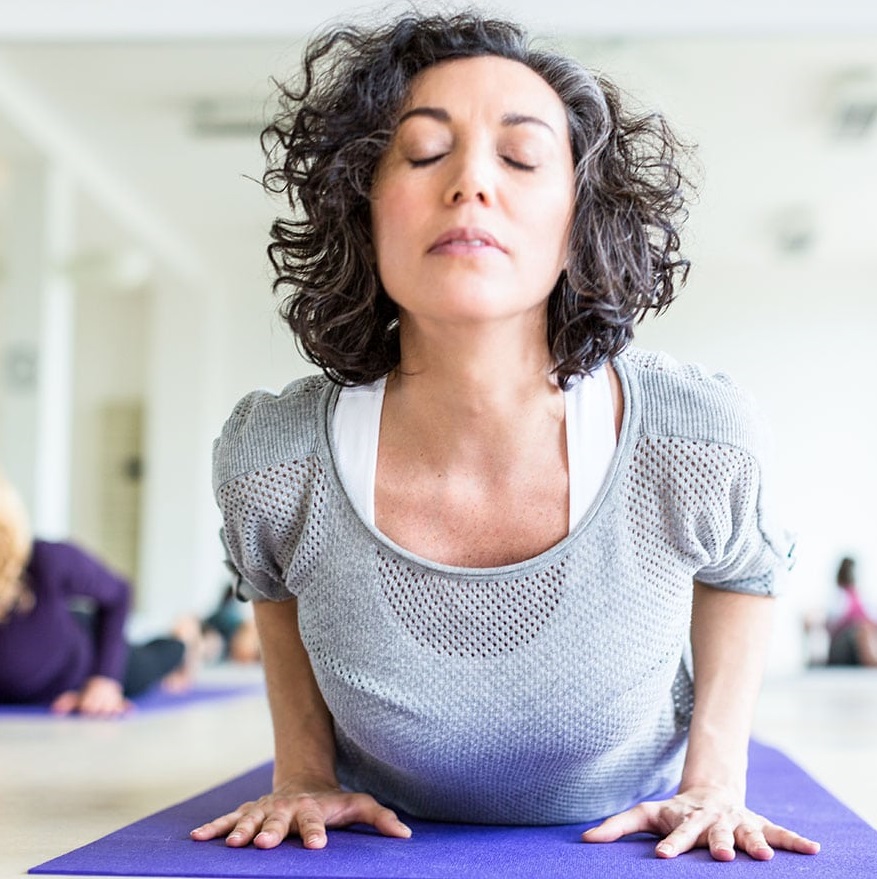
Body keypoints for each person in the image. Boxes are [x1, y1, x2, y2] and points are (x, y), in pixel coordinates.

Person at [191, 12, 820, 862]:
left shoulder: (694, 434)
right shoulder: (275, 457)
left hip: (621, 808)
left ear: (576, 222)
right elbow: (272, 587)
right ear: (363, 210)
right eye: (420, 153)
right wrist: (301, 773)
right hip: (387, 818)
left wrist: (713, 780)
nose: (470, 183)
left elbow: (746, 570)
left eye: (521, 157)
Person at [0, 473, 193, 717]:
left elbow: (119, 592)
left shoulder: (45, 559)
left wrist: (105, 679)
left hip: (91, 649)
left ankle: (186, 638)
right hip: (54, 638)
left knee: (154, 661)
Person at [826, 557, 877, 666]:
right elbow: (831, 624)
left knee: (866, 629)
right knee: (862, 631)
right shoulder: (837, 597)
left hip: (860, 645)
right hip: (843, 648)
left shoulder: (863, 597)